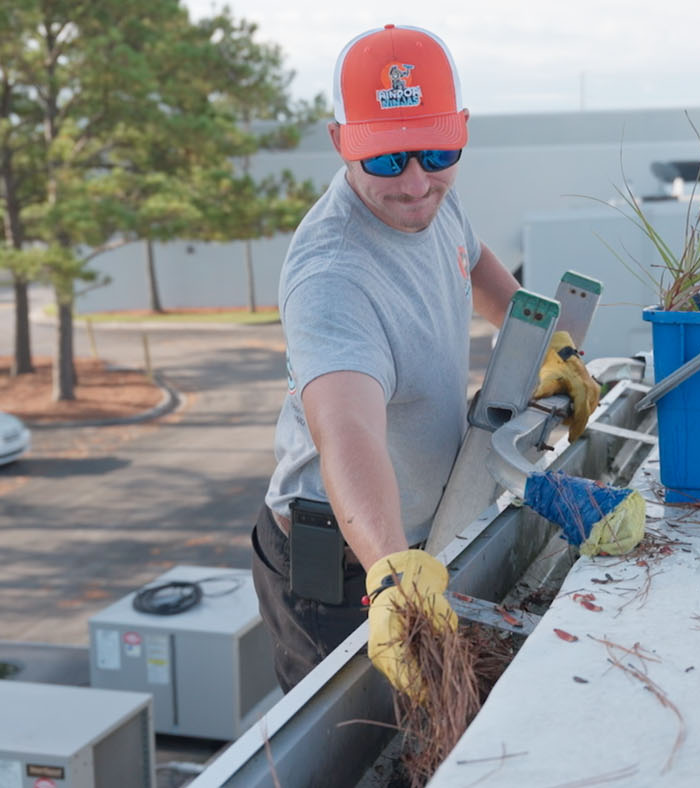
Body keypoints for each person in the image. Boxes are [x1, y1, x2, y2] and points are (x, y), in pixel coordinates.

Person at [251, 24, 598, 694]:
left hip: (425, 532)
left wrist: (544, 340)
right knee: (363, 744)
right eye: (386, 159)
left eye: (437, 152)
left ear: (459, 130)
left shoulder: (435, 196)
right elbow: (346, 431)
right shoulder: (332, 277)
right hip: (347, 565)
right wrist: (390, 574)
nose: (415, 183)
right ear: (341, 141)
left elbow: (475, 263)